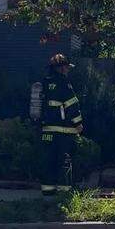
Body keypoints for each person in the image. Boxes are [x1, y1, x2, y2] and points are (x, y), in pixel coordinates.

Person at [40, 53, 83, 194]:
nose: (68, 70)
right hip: (64, 131)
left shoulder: (44, 82)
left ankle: (47, 191)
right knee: (64, 160)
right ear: (62, 68)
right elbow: (72, 105)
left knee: (48, 161)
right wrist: (78, 124)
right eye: (67, 68)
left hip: (46, 130)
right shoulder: (64, 83)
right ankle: (64, 192)